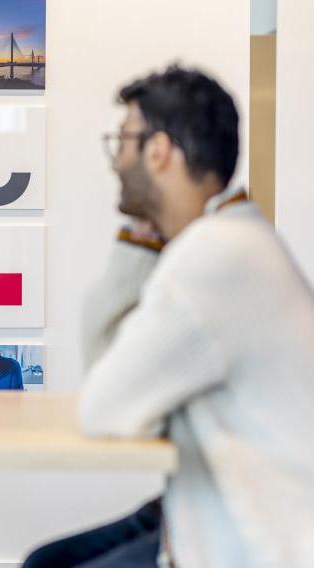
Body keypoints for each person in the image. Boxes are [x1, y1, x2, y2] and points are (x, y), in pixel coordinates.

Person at [25, 65, 314, 567]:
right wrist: (141, 237)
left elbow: (103, 407)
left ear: (158, 150)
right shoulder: (233, 238)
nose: (116, 159)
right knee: (48, 561)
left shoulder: (213, 260)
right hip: (217, 501)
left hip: (259, 540)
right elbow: (112, 378)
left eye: (123, 140)